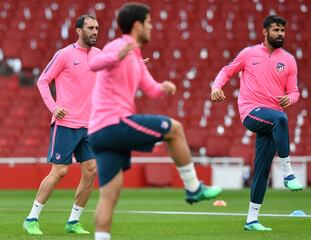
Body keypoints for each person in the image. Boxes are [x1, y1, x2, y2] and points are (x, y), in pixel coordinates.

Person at [87, 3, 222, 240]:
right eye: (149, 22)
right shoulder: (118, 46)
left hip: (100, 132)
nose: (152, 27)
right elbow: (93, 64)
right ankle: (193, 188)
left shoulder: (136, 55)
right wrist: (115, 56)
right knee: (175, 129)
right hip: (113, 123)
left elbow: (150, 89)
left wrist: (164, 87)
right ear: (138, 26)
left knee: (109, 195)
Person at [211, 15, 303, 231]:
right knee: (280, 118)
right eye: (276, 30)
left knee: (261, 170)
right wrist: (216, 87)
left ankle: (252, 220)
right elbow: (226, 71)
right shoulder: (249, 54)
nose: (280, 34)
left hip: (272, 121)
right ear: (265, 32)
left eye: (282, 30)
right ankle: (288, 173)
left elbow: (294, 91)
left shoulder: (288, 60)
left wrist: (289, 99)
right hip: (251, 113)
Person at [23, 15, 101, 235]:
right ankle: (31, 218)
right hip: (65, 123)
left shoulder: (99, 56)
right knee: (60, 171)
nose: (95, 31)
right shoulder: (65, 54)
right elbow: (43, 80)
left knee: (91, 170)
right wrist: (54, 107)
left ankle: (73, 222)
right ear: (78, 30)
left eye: (97, 28)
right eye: (90, 28)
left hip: (88, 124)